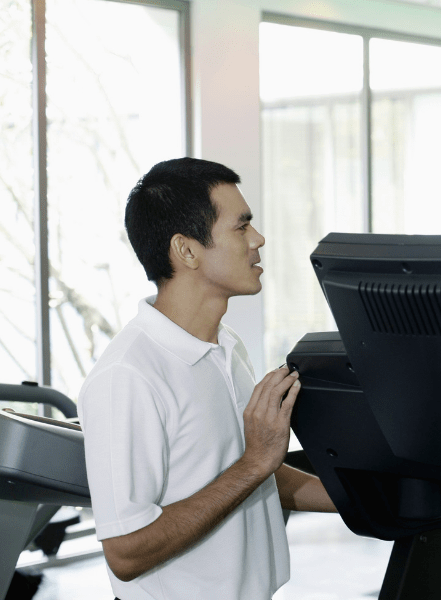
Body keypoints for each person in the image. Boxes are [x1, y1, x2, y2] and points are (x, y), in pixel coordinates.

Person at [79, 157, 337, 600]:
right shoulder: (128, 376)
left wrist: (381, 504)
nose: (258, 239)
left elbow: (253, 474)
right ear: (187, 250)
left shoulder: (225, 347)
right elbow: (125, 553)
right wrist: (255, 463)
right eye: (241, 227)